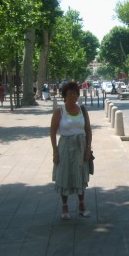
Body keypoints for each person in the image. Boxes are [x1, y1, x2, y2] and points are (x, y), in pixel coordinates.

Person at [50, 82, 92, 220]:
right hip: (65, 147)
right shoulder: (59, 111)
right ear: (64, 96)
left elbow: (88, 130)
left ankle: (81, 205)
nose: (72, 96)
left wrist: (88, 149)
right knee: (64, 176)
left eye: (74, 93)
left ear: (78, 95)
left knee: (80, 176)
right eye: (69, 94)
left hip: (81, 146)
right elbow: (52, 132)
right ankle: (64, 206)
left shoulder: (82, 110)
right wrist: (55, 152)